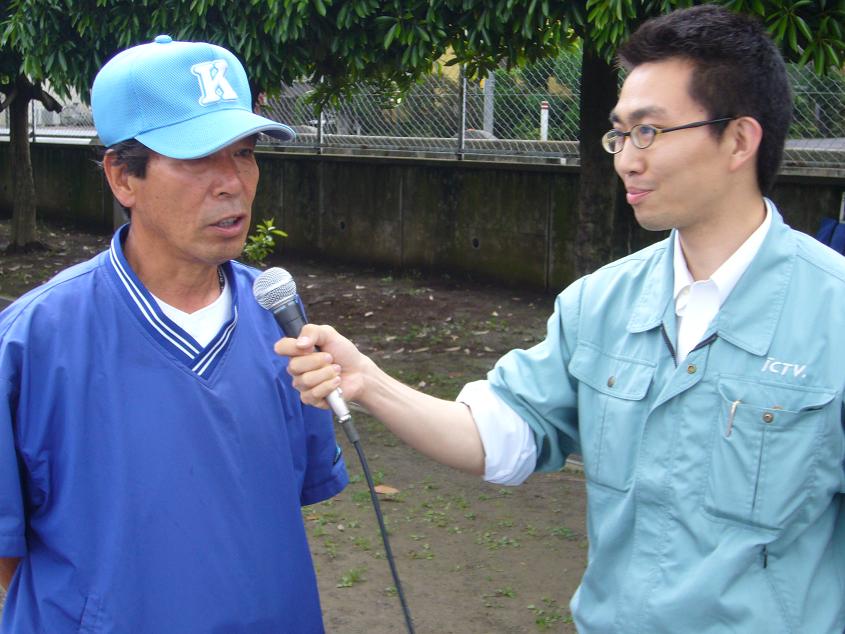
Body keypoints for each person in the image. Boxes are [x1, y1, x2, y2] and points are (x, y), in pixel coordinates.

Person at [279, 5, 845, 633]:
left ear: (739, 140)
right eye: (619, 134)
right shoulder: (598, 304)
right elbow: (501, 437)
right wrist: (369, 382)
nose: (626, 159)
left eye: (649, 131)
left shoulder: (832, 313)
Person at [0, 36, 348, 632]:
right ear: (122, 177)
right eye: (197, 158)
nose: (231, 182)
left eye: (244, 153)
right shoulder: (33, 341)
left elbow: (280, 498)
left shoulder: (279, 318)